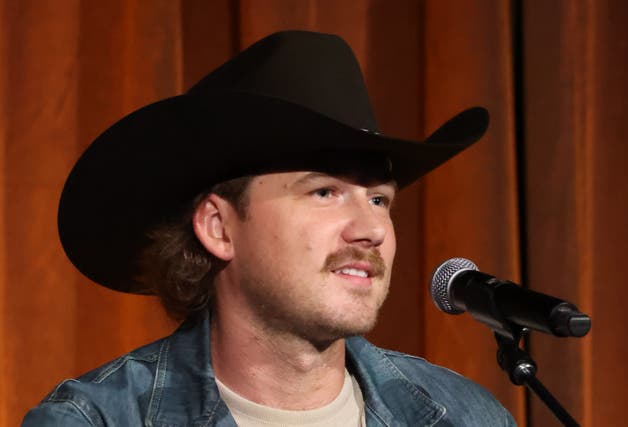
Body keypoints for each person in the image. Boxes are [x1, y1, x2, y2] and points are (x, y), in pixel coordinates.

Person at [23, 30, 516, 426]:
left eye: (379, 199)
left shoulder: (465, 415)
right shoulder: (98, 419)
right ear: (219, 227)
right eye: (324, 192)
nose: (371, 230)